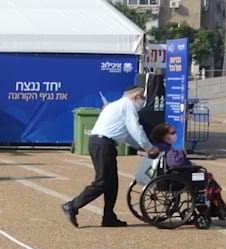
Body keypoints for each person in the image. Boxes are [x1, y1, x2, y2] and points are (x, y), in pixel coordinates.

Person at [61, 85, 157, 228]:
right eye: (142, 98)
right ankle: (73, 205)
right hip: (103, 143)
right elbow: (135, 128)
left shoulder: (116, 105)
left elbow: (122, 132)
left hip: (100, 142)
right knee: (102, 182)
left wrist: (137, 146)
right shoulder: (128, 105)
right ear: (135, 97)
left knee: (112, 183)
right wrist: (149, 147)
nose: (143, 101)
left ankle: (109, 217)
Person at [149, 123, 226, 219]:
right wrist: (191, 164)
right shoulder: (168, 150)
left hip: (171, 176)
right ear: (163, 136)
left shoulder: (158, 147)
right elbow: (175, 163)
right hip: (178, 178)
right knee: (207, 177)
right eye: (172, 133)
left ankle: (219, 207)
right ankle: (219, 208)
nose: (175, 134)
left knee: (204, 175)